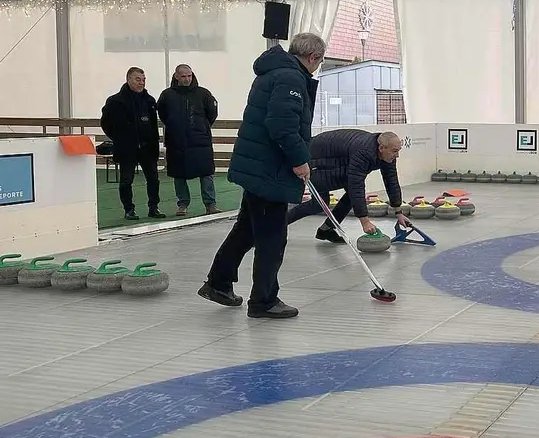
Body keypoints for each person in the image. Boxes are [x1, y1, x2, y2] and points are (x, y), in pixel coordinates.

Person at [199, 32, 325, 319]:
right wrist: (300, 160)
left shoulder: (274, 72)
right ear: (313, 57)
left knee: (247, 230)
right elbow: (282, 126)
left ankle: (218, 283)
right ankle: (263, 300)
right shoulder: (291, 78)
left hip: (257, 165)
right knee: (272, 238)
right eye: (319, 61)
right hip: (269, 170)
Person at [287, 129, 411, 240]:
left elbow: (391, 181)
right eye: (395, 151)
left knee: (350, 197)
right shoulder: (364, 151)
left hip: (338, 160)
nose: (397, 155)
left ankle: (326, 230)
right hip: (316, 157)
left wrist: (398, 212)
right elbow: (356, 185)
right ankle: (278, 225)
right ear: (381, 148)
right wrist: (365, 221)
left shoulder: (388, 154)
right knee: (318, 204)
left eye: (398, 151)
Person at [101, 67, 165, 221]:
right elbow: (106, 123)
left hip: (148, 147)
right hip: (127, 148)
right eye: (138, 79)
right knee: (126, 180)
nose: (141, 83)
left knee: (153, 179)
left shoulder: (150, 101)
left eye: (143, 80)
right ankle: (129, 209)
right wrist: (119, 138)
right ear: (128, 79)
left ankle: (154, 207)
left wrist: (154, 143)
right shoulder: (115, 101)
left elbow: (153, 125)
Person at [157, 64, 222, 216]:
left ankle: (210, 204)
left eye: (189, 76)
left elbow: (212, 113)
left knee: (206, 173)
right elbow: (163, 114)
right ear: (176, 76)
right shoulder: (167, 95)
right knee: (179, 174)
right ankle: (183, 204)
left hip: (200, 141)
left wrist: (201, 127)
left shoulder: (203, 94)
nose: (187, 79)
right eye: (183, 76)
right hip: (176, 141)